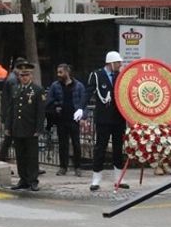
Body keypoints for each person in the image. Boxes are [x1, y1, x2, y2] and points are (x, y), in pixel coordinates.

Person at [3, 58, 46, 191]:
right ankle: (23, 179)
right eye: (22, 75)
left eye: (26, 75)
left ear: (31, 76)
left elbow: (40, 112)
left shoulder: (37, 90)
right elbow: (11, 109)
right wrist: (8, 126)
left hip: (30, 128)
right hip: (17, 128)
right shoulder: (15, 89)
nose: (24, 77)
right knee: (20, 156)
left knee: (31, 156)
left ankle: (33, 180)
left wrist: (39, 128)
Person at [88, 51, 127, 191]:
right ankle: (96, 179)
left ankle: (119, 178)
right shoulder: (97, 75)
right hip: (103, 119)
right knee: (100, 148)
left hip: (118, 119)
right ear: (110, 63)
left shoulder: (121, 76)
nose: (120, 65)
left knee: (118, 149)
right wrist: (81, 109)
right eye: (117, 63)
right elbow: (89, 92)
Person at [46, 63, 85, 177]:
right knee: (63, 144)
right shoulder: (55, 86)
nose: (58, 74)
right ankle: (63, 167)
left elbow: (83, 103)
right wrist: (55, 107)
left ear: (67, 72)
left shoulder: (78, 86)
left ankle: (78, 167)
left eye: (61, 72)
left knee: (76, 144)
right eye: (58, 72)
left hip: (74, 119)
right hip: (61, 119)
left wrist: (83, 117)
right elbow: (49, 101)